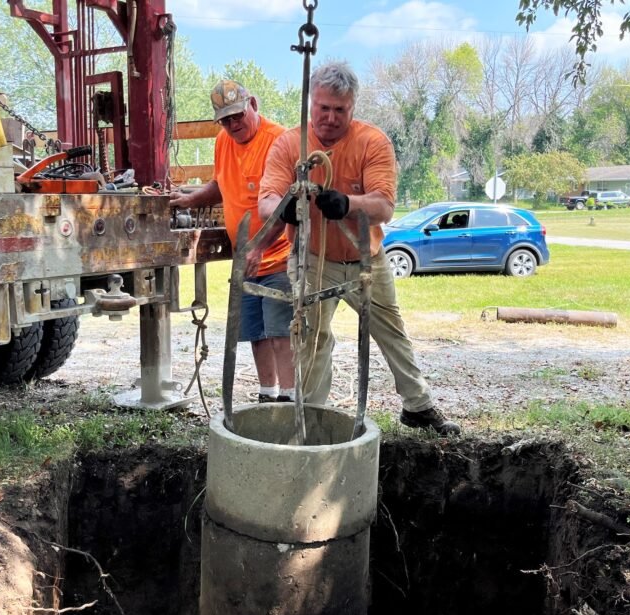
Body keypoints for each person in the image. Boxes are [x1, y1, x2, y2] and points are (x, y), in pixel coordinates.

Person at [257, 61, 460, 435]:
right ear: (311, 104)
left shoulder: (372, 142)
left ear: (352, 108)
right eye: (323, 108)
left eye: (340, 110)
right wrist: (283, 207)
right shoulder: (290, 144)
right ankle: (311, 419)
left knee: (390, 329)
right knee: (313, 338)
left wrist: (348, 204)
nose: (331, 118)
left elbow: (383, 205)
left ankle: (418, 406)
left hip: (367, 258)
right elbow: (266, 199)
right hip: (314, 259)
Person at [170, 80, 294, 403]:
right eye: (225, 120)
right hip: (245, 258)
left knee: (281, 332)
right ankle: (268, 395)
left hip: (278, 255)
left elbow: (286, 206)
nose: (233, 124)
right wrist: (190, 199)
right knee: (255, 333)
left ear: (252, 104)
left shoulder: (278, 141)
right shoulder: (223, 142)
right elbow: (220, 184)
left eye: (237, 115)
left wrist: (261, 246)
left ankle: (291, 400)